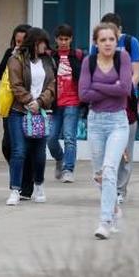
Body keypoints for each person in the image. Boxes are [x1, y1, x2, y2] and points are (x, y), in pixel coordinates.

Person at [78, 23, 132, 240]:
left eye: (111, 39)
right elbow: (83, 94)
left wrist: (97, 87)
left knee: (110, 170)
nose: (108, 43)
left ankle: (105, 221)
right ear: (96, 43)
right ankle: (114, 209)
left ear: (116, 41)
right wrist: (112, 88)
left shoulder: (123, 58)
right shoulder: (88, 62)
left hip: (118, 122)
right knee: (99, 175)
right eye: (103, 40)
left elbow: (125, 90)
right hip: (95, 123)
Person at [88, 13, 139, 204]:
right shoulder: (97, 47)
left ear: (119, 31)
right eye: (103, 36)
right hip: (101, 107)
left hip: (126, 105)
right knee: (103, 156)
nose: (108, 40)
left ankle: (120, 190)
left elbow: (136, 74)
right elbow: (90, 80)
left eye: (112, 35)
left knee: (125, 151)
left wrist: (123, 89)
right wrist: (111, 89)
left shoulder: (130, 43)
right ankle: (107, 190)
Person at [4, 27, 56, 206]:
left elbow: (52, 85)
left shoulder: (48, 61)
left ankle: (39, 185)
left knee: (39, 152)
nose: (46, 47)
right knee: (18, 151)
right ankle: (15, 190)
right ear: (35, 42)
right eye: (43, 43)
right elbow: (15, 84)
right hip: (19, 111)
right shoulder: (15, 59)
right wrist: (28, 101)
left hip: (41, 112)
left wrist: (40, 102)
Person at [0, 24, 35, 200]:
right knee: (8, 146)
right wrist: (11, 57)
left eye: (22, 42)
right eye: (16, 41)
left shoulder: (34, 58)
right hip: (10, 106)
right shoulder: (10, 53)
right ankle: (19, 175)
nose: (19, 45)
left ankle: (24, 186)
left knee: (23, 148)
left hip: (29, 106)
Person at [49, 24, 85, 184]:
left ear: (71, 39)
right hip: (55, 103)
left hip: (73, 101)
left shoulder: (78, 55)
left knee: (70, 137)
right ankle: (60, 158)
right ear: (56, 39)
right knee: (51, 138)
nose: (64, 42)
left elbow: (84, 76)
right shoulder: (51, 56)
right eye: (61, 39)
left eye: (67, 39)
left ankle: (68, 169)